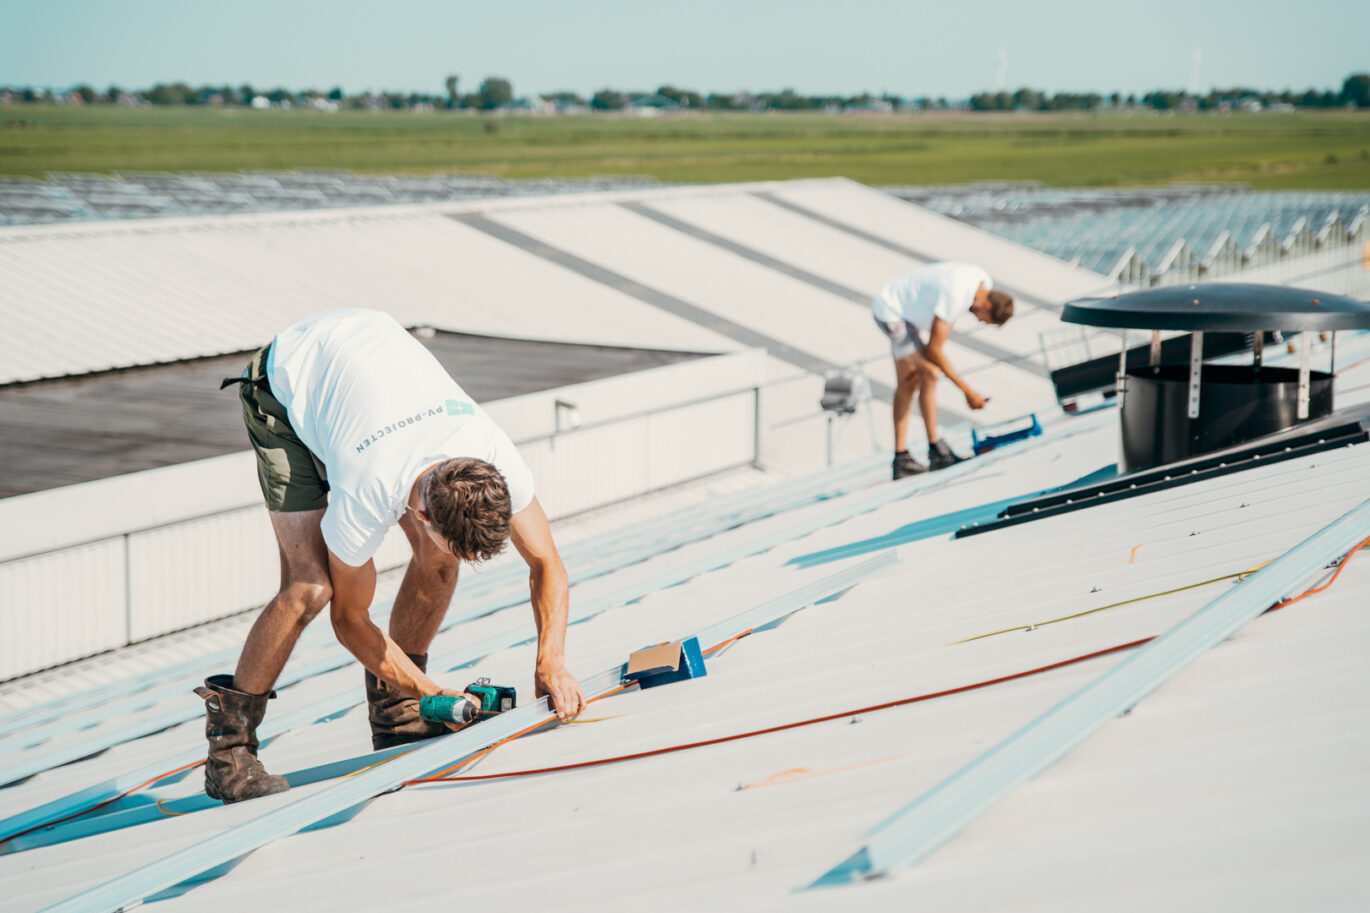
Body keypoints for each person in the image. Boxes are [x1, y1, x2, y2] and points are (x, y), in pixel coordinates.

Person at [199, 308, 585, 803]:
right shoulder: (368, 490)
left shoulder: (493, 454)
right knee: (310, 588)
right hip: (285, 383)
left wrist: (550, 660)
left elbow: (547, 563)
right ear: (422, 515)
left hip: (369, 358)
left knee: (440, 560)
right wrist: (430, 692)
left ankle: (396, 717)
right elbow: (349, 619)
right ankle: (228, 755)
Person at [871, 262, 1015, 479]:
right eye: (984, 320)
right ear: (986, 306)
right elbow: (934, 351)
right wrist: (968, 392)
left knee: (909, 383)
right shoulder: (957, 296)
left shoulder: (981, 281)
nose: (978, 321)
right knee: (929, 373)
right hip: (892, 313)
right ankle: (933, 451)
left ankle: (905, 456)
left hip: (904, 314)